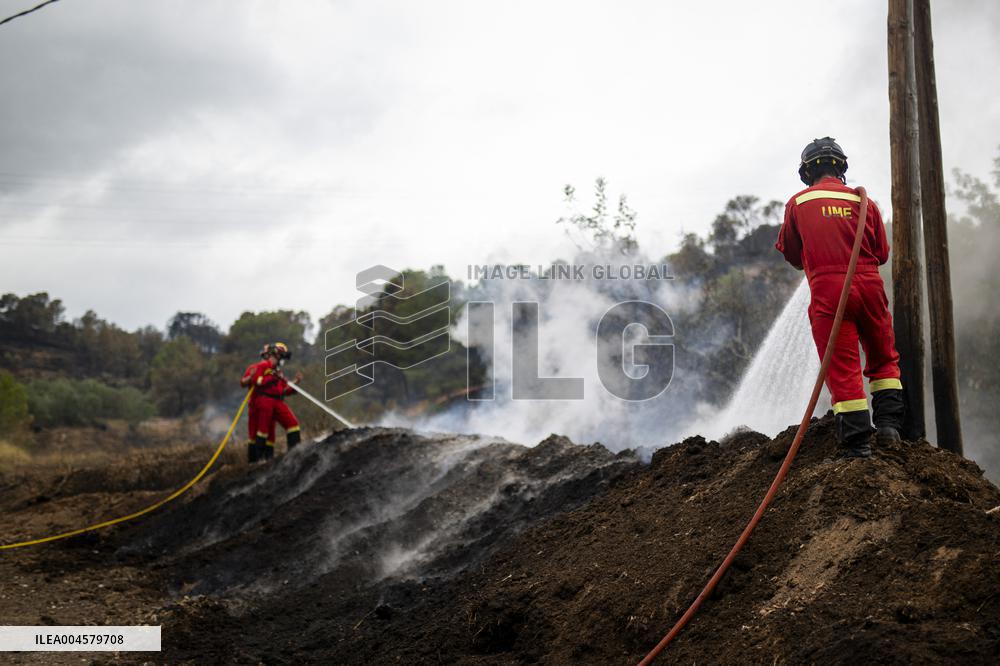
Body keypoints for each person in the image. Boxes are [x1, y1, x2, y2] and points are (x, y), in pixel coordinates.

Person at [776, 137, 905, 458]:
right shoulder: (865, 203)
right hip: (871, 288)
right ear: (841, 168)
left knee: (842, 368)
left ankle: (858, 446)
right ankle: (889, 428)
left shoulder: (798, 203)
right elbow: (882, 253)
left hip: (829, 293)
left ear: (807, 172)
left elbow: (791, 253)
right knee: (884, 358)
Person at [239, 342, 303, 463]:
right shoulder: (258, 367)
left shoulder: (277, 372)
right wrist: (263, 377)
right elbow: (255, 382)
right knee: (259, 432)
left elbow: (282, 390)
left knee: (286, 427)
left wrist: (295, 382)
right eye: (280, 356)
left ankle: (294, 454)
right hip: (260, 404)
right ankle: (256, 461)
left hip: (275, 402)